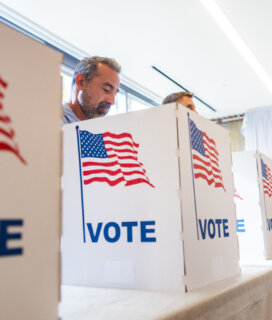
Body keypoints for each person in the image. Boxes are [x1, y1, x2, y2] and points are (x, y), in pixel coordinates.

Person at [62, 56, 121, 125]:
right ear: (81, 82)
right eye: (106, 90)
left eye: (115, 94)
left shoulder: (102, 130)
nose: (112, 101)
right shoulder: (51, 122)